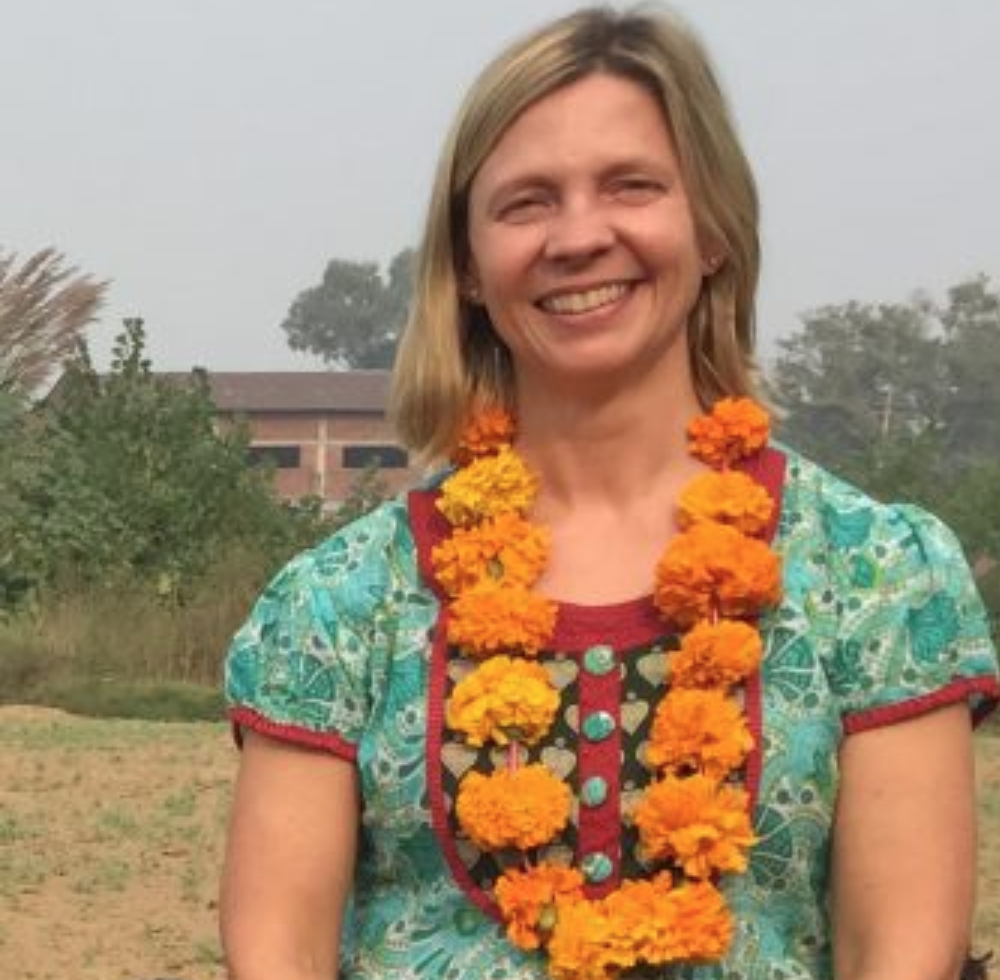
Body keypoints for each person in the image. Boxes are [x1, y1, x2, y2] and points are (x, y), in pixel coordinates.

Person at [219, 7, 1000, 980]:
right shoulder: (340, 602)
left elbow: (900, 954)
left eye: (632, 185)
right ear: (468, 267)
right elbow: (279, 953)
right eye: (526, 203)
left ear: (712, 228)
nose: (579, 236)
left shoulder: (875, 576)